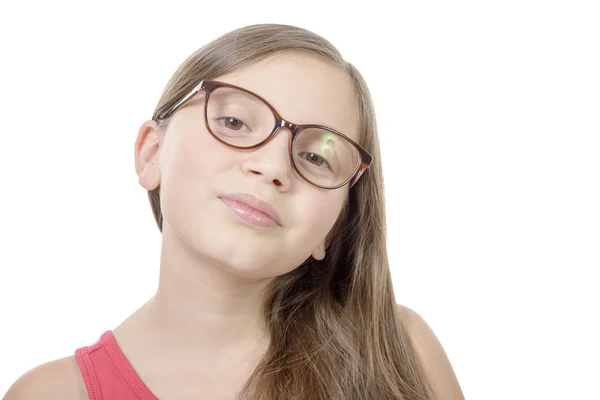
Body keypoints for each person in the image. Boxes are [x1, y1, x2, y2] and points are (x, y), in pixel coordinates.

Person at [4, 24, 464, 400]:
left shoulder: (401, 352)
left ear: (335, 226)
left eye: (317, 157)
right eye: (235, 122)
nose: (272, 167)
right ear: (151, 153)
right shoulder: (52, 394)